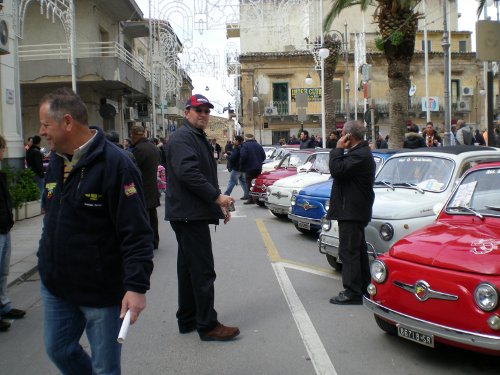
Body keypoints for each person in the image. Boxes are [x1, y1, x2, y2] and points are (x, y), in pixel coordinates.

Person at [37, 87, 154, 374]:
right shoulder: (56, 159)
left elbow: (137, 232)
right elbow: (52, 215)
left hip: (101, 291)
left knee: (105, 368)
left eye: (45, 124)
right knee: (59, 349)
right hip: (56, 285)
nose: (41, 132)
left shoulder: (117, 164)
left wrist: (136, 287)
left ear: (67, 122)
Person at [164, 93, 239, 341]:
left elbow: (199, 177)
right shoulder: (183, 138)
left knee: (187, 270)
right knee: (203, 271)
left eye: (207, 111)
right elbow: (189, 174)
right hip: (188, 214)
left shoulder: (194, 137)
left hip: (190, 212)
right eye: (199, 110)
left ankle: (187, 320)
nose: (204, 115)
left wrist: (215, 204)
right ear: (187, 112)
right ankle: (207, 325)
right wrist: (217, 198)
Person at [326, 120, 376, 305]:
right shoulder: (359, 153)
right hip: (353, 209)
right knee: (357, 250)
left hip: (352, 210)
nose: (340, 136)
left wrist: (338, 149)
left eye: (342, 134)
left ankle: (352, 291)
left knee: (348, 251)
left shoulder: (360, 155)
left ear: (348, 136)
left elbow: (337, 170)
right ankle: (363, 286)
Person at [0, 135, 26, 332]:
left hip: (4, 228)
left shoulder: (1, 172)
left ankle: (4, 306)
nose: (3, 153)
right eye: (2, 148)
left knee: (3, 271)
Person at [130, 124, 161, 250]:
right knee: (152, 216)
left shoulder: (139, 150)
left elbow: (134, 169)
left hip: (142, 187)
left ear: (135, 135)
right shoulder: (153, 148)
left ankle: (146, 242)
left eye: (132, 135)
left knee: (144, 217)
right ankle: (154, 241)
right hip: (152, 186)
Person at [240, 133, 266, 205]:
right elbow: (264, 156)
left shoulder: (245, 145)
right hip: (258, 167)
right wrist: (259, 162)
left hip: (249, 167)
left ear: (245, 139)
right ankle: (257, 198)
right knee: (257, 183)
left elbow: (243, 156)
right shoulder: (258, 145)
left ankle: (251, 199)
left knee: (249, 183)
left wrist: (242, 165)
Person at [224, 135, 248, 199]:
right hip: (242, 168)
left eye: (234, 140)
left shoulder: (237, 148)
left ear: (237, 141)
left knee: (232, 182)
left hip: (237, 168)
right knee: (243, 182)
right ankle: (247, 194)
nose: (233, 141)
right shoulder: (243, 147)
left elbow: (232, 159)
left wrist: (226, 156)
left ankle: (226, 195)